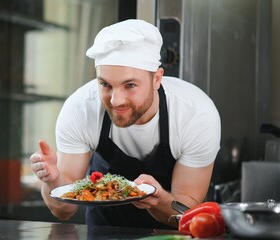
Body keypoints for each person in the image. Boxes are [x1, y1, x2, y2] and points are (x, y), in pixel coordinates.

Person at [30, 19, 221, 229]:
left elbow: (186, 211)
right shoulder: (80, 109)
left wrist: (158, 200)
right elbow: (63, 210)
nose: (116, 100)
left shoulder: (195, 114)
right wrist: (52, 181)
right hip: (104, 229)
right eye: (105, 85)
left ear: (157, 79)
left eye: (130, 85)